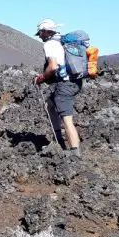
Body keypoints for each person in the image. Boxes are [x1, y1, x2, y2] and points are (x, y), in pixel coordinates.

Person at [33, 18, 83, 154]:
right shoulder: (60, 42)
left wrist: (42, 78)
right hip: (75, 82)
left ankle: (75, 152)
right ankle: (58, 141)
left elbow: (53, 66)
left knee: (66, 118)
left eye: (40, 33)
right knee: (50, 105)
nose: (40, 36)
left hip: (65, 84)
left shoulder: (50, 44)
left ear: (45, 32)